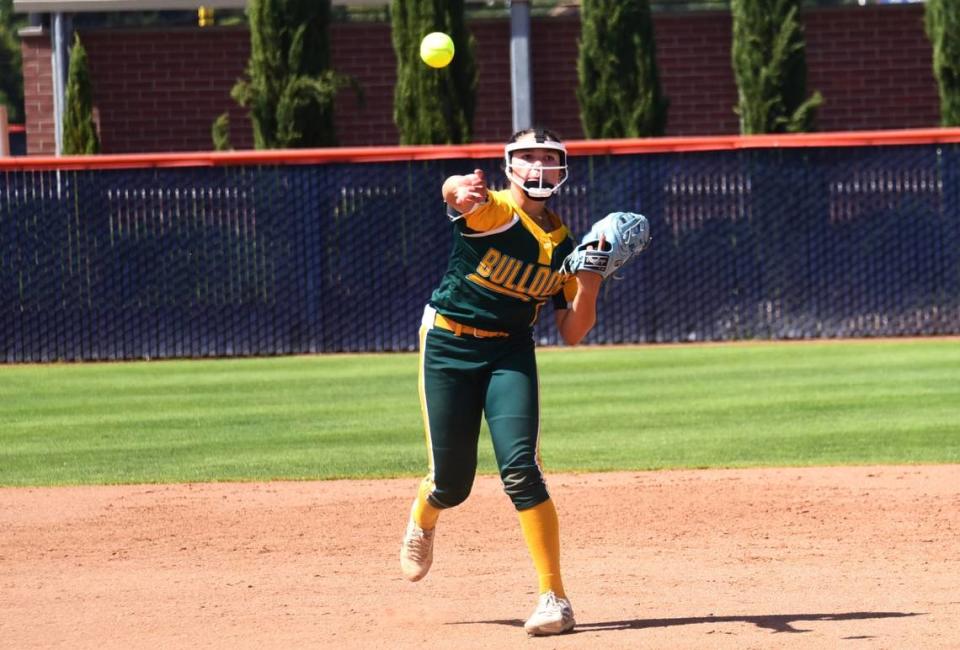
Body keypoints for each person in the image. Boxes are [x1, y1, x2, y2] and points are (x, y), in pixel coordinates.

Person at [399, 127, 603, 636]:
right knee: (452, 482)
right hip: (448, 344)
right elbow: (455, 192)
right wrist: (455, 188)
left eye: (548, 159)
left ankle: (554, 598)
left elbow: (573, 331)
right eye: (527, 158)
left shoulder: (566, 246)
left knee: (521, 469)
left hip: (510, 350)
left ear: (562, 170)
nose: (538, 168)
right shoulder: (493, 209)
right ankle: (424, 516)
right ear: (509, 166)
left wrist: (591, 283)